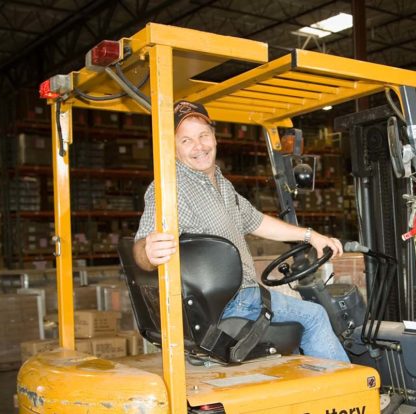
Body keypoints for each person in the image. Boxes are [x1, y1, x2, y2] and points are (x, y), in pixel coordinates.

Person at [132, 100, 349, 362]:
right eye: (186, 140)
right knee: (314, 315)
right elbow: (141, 247)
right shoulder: (171, 188)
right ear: (173, 147)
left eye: (203, 136)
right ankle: (354, 397)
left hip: (237, 298)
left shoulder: (222, 185)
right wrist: (147, 251)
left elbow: (256, 221)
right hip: (233, 303)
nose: (199, 146)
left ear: (214, 136)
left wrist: (310, 236)